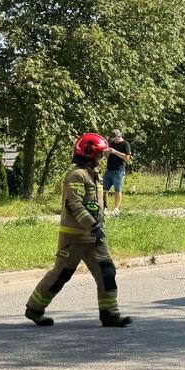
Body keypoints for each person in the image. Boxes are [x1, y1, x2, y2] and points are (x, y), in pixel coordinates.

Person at [25, 134, 132, 328]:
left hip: (95, 236)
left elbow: (96, 204)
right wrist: (93, 225)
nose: (101, 159)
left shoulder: (93, 174)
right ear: (88, 153)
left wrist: (99, 225)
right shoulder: (76, 175)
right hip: (74, 237)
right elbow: (75, 205)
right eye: (99, 155)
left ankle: (110, 314)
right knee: (61, 275)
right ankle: (34, 308)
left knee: (107, 272)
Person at [104, 129, 134, 215]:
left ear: (119, 136)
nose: (113, 140)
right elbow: (108, 156)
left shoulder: (125, 144)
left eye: (115, 138)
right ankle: (105, 207)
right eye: (112, 138)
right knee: (104, 189)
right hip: (109, 169)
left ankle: (116, 209)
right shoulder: (112, 143)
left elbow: (127, 158)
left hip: (119, 170)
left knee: (118, 189)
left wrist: (115, 152)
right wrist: (107, 153)